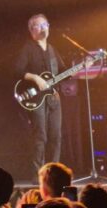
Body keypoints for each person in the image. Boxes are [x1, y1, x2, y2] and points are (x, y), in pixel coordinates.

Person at [14, 14, 66, 173]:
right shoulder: (28, 48)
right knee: (40, 136)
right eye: (39, 25)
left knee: (56, 136)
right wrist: (35, 78)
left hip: (54, 97)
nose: (43, 27)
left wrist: (83, 66)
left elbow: (63, 72)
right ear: (31, 30)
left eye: (45, 24)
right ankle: (38, 174)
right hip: (36, 98)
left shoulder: (52, 49)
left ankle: (55, 172)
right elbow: (17, 70)